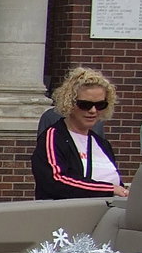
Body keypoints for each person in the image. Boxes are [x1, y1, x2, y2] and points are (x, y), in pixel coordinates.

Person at [31, 67, 128, 200]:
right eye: (85, 104)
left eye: (100, 105)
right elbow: (56, 181)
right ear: (70, 103)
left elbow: (117, 183)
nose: (93, 110)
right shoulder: (53, 137)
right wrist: (111, 189)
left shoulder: (102, 143)